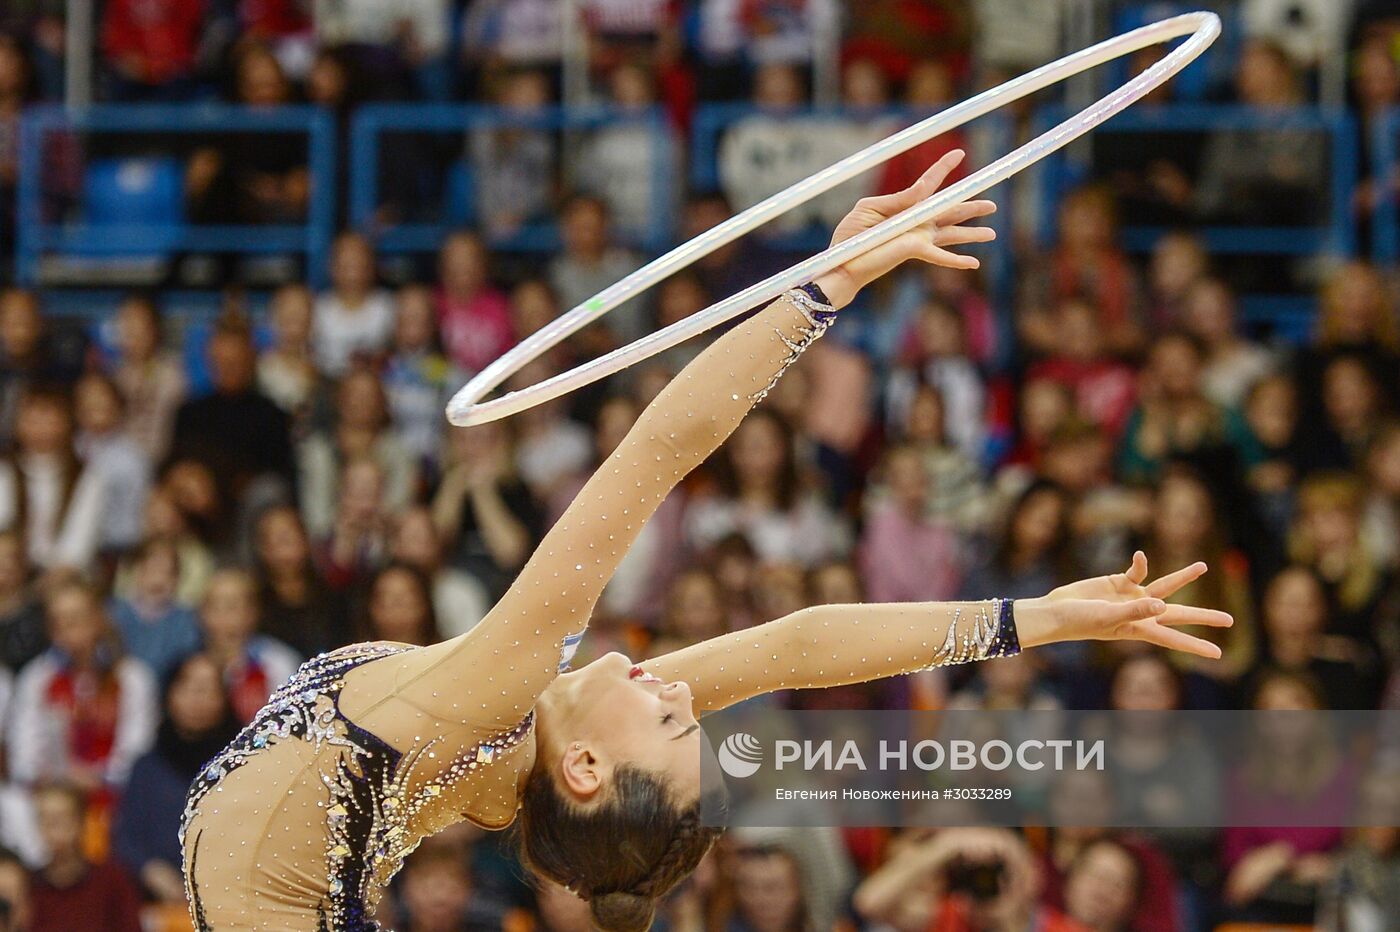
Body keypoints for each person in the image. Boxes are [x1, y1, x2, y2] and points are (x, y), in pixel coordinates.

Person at [180, 154, 1233, 932]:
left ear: (586, 768)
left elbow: (657, 449)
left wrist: (827, 286)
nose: (686, 698)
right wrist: (1037, 616)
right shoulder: (528, 747)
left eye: (672, 726)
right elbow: (793, 645)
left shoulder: (502, 689)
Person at [113, 653, 238, 905]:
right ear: (169, 695)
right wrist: (151, 871)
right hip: (155, 898)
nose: (196, 699)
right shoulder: (147, 766)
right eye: (188, 688)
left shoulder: (242, 764)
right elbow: (125, 837)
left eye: (206, 690)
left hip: (229, 895)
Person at [28, 783, 143, 931]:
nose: (52, 827)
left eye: (61, 818)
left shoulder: (113, 880)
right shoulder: (30, 886)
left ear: (81, 821)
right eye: (44, 818)